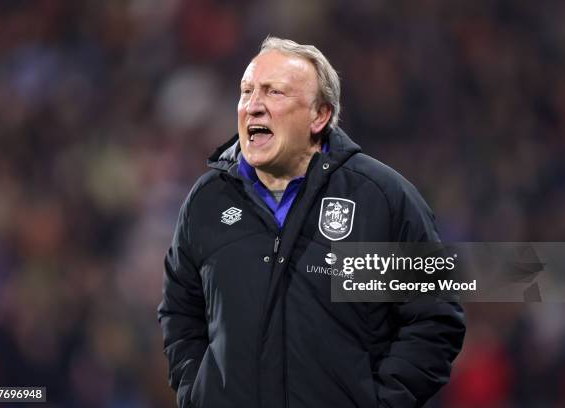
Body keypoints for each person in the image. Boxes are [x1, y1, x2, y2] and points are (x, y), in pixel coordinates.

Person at [158, 36, 465, 408]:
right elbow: (180, 311)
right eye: (247, 91)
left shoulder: (380, 200)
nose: (253, 106)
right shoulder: (207, 201)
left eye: (274, 93)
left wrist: (380, 403)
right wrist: (197, 393)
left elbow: (433, 319)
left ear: (319, 116)